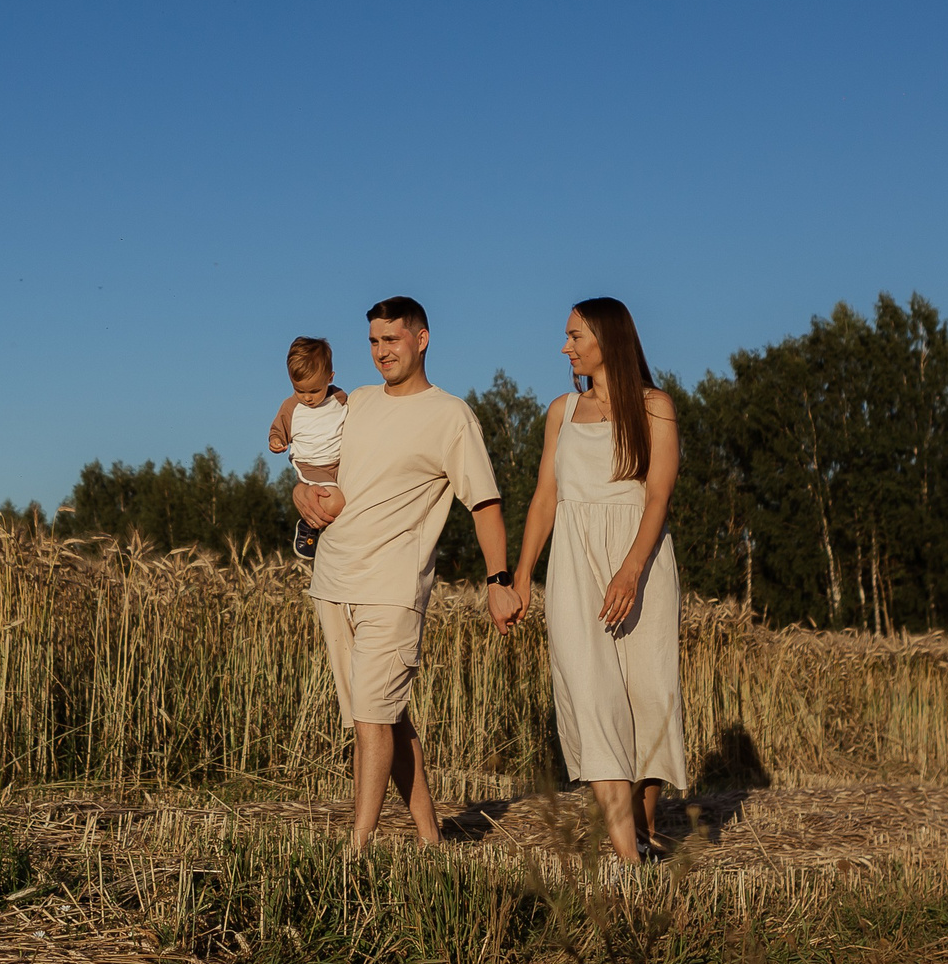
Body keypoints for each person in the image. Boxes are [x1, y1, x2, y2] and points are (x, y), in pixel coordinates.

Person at [295, 296, 508, 851]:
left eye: (391, 339)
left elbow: (484, 503)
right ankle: (431, 839)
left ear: (422, 339)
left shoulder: (450, 415)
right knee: (386, 716)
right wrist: (299, 490)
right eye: (373, 341)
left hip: (392, 588)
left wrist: (499, 580)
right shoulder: (356, 402)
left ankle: (357, 848)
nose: (381, 351)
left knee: (372, 720)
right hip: (333, 580)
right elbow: (318, 460)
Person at [494, 297, 688, 866]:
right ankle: (630, 858)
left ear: (608, 339)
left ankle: (644, 831)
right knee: (591, 694)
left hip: (642, 564)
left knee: (648, 699)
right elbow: (545, 499)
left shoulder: (655, 407)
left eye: (575, 336)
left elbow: (658, 496)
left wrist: (630, 569)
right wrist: (521, 578)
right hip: (575, 567)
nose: (565, 347)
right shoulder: (561, 411)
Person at [266, 336, 348, 559]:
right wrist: (276, 441)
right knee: (336, 502)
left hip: (339, 464)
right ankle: (307, 526)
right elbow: (278, 429)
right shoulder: (292, 407)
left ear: (330, 378)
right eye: (299, 390)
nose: (307, 398)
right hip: (311, 465)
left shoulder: (339, 398)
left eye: (314, 390)